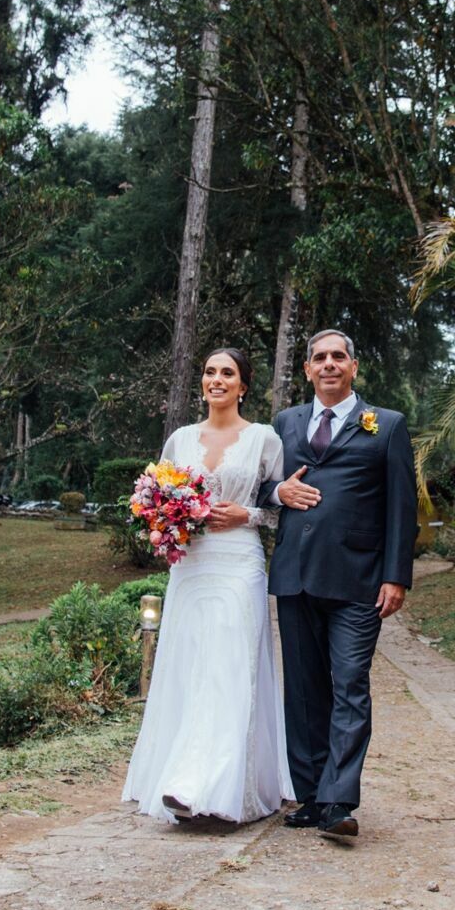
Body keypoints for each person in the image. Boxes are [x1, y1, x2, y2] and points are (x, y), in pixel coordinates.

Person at [121, 348, 294, 824]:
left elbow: (282, 511)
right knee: (190, 665)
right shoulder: (179, 439)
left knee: (230, 666)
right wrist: (164, 522)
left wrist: (248, 514)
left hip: (240, 561)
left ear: (243, 386)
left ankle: (218, 790)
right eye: (210, 371)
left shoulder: (264, 439)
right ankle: (180, 780)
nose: (217, 379)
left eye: (228, 373)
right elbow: (156, 499)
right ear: (202, 382)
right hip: (191, 566)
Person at [267, 328, 417, 841]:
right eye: (319, 358)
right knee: (304, 690)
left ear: (353, 367)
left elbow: (403, 507)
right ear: (307, 369)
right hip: (295, 574)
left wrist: (396, 575)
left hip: (358, 581)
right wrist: (276, 490)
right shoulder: (285, 422)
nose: (329, 364)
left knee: (350, 684)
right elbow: (260, 480)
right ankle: (310, 795)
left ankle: (338, 799)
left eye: (338, 357)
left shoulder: (387, 426)